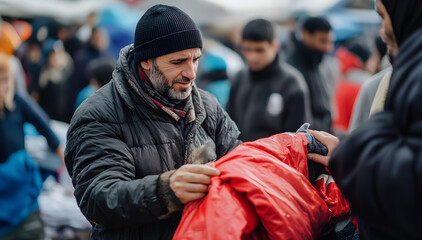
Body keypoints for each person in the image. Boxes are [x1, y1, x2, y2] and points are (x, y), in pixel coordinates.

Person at [64, 4, 241, 239]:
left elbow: (240, 161)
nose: (191, 73)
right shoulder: (99, 114)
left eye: (196, 59)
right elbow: (98, 198)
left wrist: (300, 147)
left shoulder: (207, 106)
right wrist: (165, 190)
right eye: (178, 62)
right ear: (146, 61)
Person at [307, 0, 422, 238]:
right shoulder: (397, 76)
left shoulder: (417, 73)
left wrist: (349, 155)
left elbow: (411, 189)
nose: (382, 31)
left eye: (384, 17)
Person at [0, 52, 63, 239]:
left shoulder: (17, 103)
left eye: (6, 81)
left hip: (20, 182)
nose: (3, 87)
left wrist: (61, 154)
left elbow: (43, 125)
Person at [227, 18, 311, 141]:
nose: (252, 57)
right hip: (240, 157)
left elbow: (299, 139)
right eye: (247, 49)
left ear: (274, 46)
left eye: (259, 50)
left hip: (276, 159)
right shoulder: (239, 78)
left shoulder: (292, 83)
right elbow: (229, 125)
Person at [286, 17, 335, 133]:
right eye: (322, 41)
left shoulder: (318, 63)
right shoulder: (292, 68)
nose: (327, 47)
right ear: (306, 35)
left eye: (329, 42)